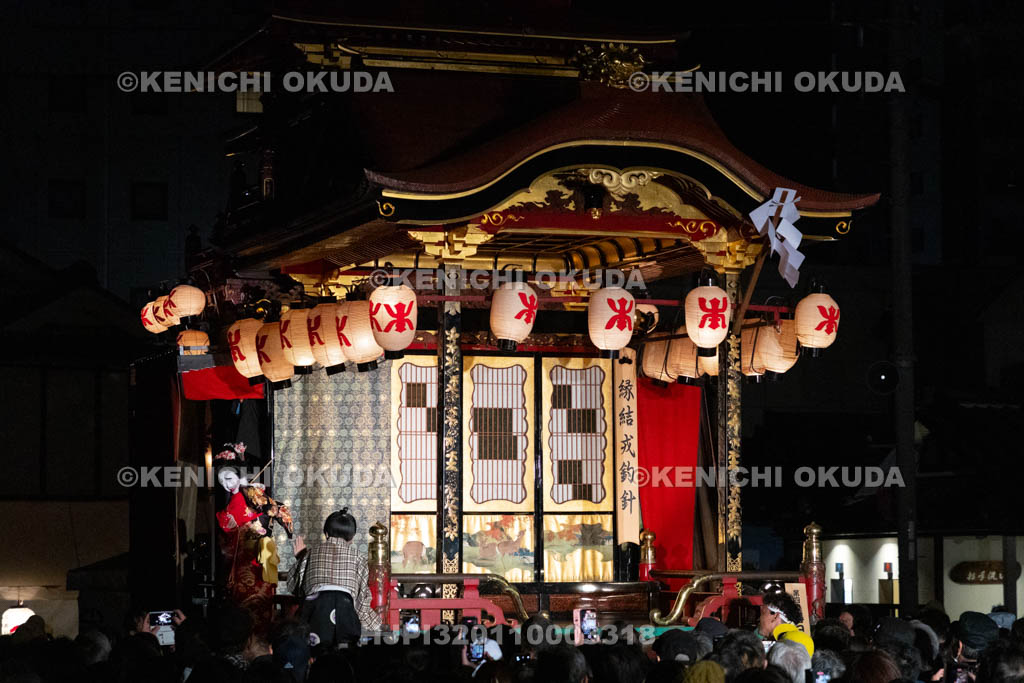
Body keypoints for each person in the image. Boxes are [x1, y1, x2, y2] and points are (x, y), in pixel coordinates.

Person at [287, 508, 382, 647]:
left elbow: (293, 587)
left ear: (326, 533)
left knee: (314, 649)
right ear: (352, 537)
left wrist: (300, 557)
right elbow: (362, 598)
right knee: (346, 650)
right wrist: (375, 624)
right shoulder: (358, 557)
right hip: (345, 606)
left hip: (315, 607)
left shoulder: (310, 553)